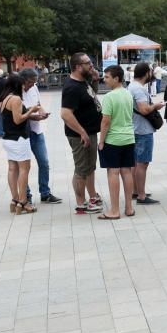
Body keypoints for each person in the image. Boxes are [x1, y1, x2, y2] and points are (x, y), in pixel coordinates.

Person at [60, 53, 103, 214]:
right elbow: (65, 114)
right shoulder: (71, 87)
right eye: (88, 63)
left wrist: (95, 80)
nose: (91, 65)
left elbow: (92, 97)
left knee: (90, 167)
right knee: (81, 169)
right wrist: (82, 132)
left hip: (90, 131)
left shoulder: (83, 81)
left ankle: (92, 197)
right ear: (78, 67)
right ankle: (81, 203)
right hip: (80, 135)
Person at [97, 65, 137, 219]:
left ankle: (114, 210)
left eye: (107, 77)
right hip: (128, 137)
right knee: (126, 172)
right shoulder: (128, 94)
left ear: (117, 78)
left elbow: (105, 121)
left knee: (113, 172)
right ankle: (129, 207)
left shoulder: (109, 97)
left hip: (113, 139)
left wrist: (101, 141)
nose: (104, 79)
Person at [0, 74, 40, 214]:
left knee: (12, 169)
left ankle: (14, 200)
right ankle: (23, 201)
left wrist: (32, 115)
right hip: (19, 139)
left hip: (8, 139)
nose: (24, 87)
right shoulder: (15, 99)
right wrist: (32, 110)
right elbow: (18, 120)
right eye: (22, 84)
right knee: (24, 169)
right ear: (17, 85)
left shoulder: (4, 99)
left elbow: (11, 118)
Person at [19, 68, 58, 204]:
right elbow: (19, 116)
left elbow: (38, 104)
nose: (32, 85)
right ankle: (26, 195)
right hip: (23, 134)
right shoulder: (16, 92)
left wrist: (43, 112)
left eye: (35, 82)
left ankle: (45, 193)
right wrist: (36, 116)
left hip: (37, 131)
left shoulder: (34, 88)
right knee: (24, 167)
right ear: (23, 79)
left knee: (44, 162)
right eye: (30, 82)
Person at [129, 62, 165, 205]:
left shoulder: (131, 86)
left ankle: (136, 191)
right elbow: (144, 110)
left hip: (135, 128)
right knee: (142, 163)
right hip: (143, 130)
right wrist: (156, 105)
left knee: (135, 163)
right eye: (150, 72)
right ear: (146, 73)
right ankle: (142, 196)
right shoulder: (139, 89)